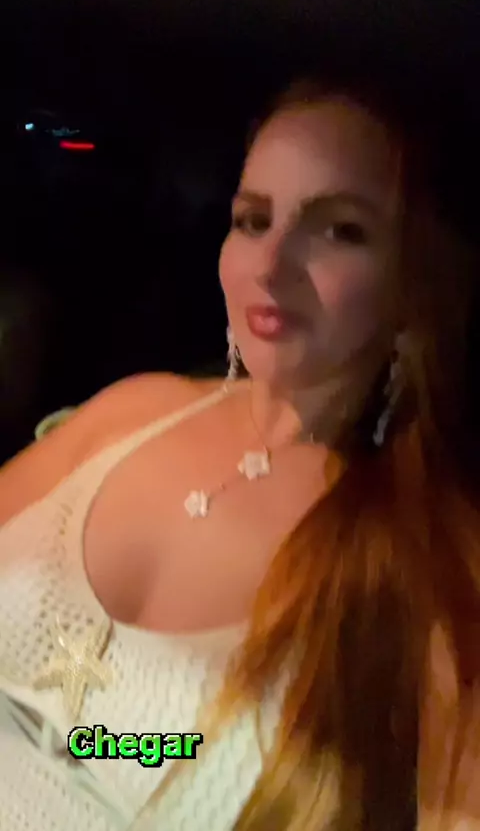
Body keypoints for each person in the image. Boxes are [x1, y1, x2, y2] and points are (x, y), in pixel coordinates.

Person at [0, 74, 479, 831]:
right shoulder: (133, 410)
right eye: (253, 220)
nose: (272, 262)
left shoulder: (435, 566)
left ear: (413, 282)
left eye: (340, 230)